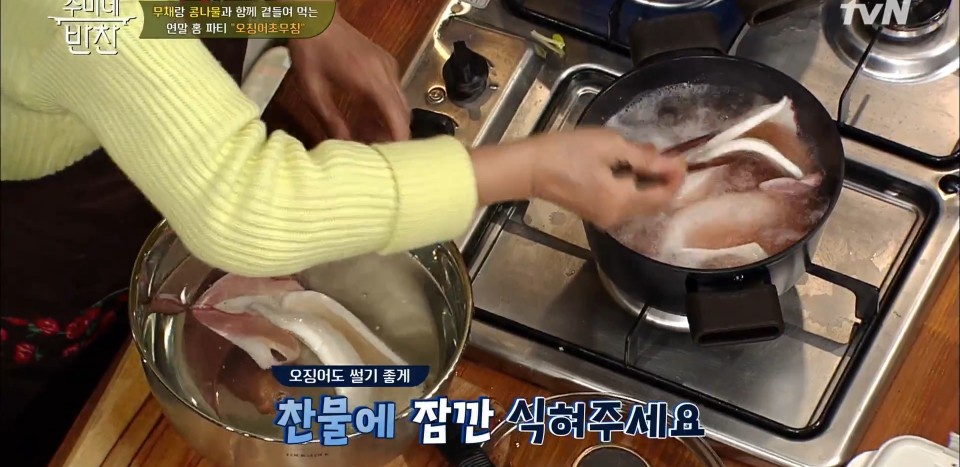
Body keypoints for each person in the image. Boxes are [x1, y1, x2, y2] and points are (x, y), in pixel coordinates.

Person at [0, 1, 686, 464]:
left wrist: (305, 19)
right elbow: (248, 207)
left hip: (164, 170)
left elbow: (168, 16)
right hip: (54, 265)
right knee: (59, 414)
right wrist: (529, 169)